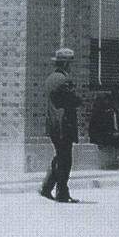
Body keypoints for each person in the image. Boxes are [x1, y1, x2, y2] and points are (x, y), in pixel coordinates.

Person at [40, 47, 82, 202]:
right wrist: (78, 99)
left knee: (60, 157)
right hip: (64, 125)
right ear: (65, 64)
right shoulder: (64, 80)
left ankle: (46, 187)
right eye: (70, 63)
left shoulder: (51, 78)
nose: (71, 66)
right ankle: (62, 193)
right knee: (65, 160)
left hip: (54, 124)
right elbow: (74, 100)